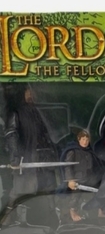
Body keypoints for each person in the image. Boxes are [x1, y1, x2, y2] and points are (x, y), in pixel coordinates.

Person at [3, 84, 59, 226]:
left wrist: (53, 154)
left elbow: (50, 135)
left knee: (48, 192)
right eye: (30, 92)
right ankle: (8, 219)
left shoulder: (42, 113)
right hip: (27, 162)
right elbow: (12, 134)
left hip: (45, 161)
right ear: (24, 93)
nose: (32, 95)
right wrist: (15, 158)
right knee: (20, 192)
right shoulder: (17, 113)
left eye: (34, 92)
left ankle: (52, 220)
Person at [61, 129, 104, 222]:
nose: (85, 142)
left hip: (90, 178)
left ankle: (100, 210)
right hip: (78, 179)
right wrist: (70, 180)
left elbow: (97, 165)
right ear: (79, 139)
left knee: (101, 190)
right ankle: (72, 211)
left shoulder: (90, 151)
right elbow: (68, 166)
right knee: (75, 195)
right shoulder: (73, 151)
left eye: (87, 140)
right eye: (83, 139)